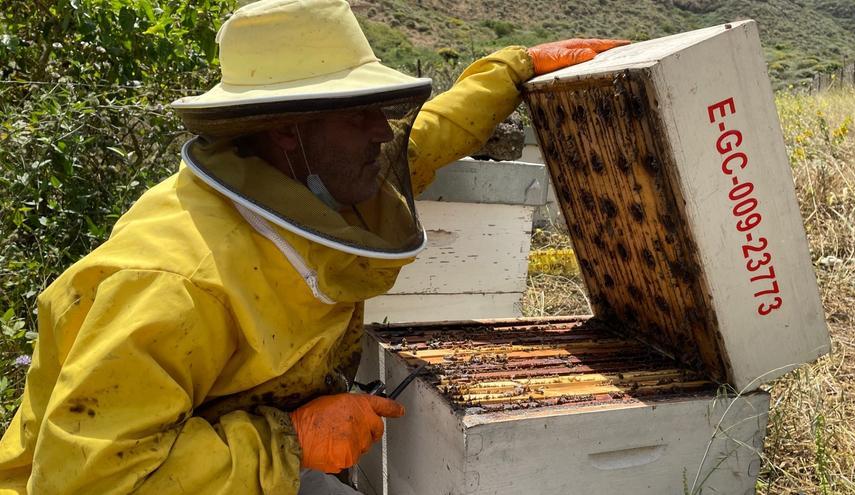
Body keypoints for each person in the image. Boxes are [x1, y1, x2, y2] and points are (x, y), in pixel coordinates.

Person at [0, 0, 628, 493]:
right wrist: (293, 441)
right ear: (287, 130)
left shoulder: (302, 183)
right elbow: (86, 481)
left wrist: (512, 69)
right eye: (359, 113)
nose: (381, 132)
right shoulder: (174, 282)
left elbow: (421, 142)